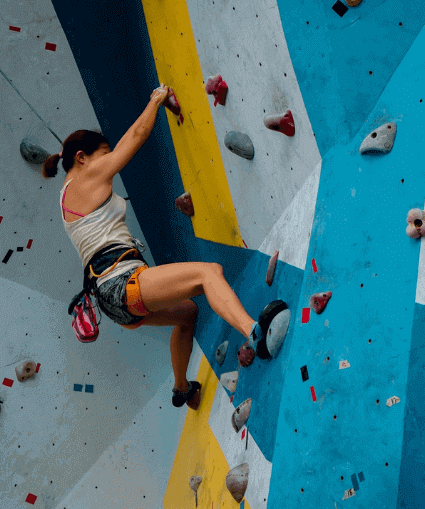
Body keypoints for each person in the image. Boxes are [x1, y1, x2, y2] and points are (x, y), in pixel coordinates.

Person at [42, 83, 287, 408]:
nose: (107, 164)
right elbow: (135, 138)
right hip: (120, 284)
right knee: (208, 273)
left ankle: (181, 387)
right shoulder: (84, 177)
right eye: (103, 156)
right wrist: (156, 100)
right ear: (82, 158)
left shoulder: (68, 198)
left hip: (111, 299)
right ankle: (255, 333)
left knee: (187, 312)